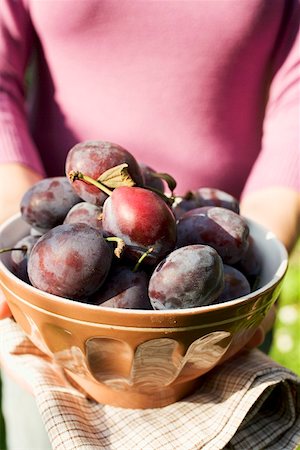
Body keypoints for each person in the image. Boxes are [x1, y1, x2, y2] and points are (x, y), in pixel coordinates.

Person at [0, 0, 299, 448]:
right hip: (54, 323)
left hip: (219, 300)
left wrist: (266, 240)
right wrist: (14, 217)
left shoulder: (217, 265)